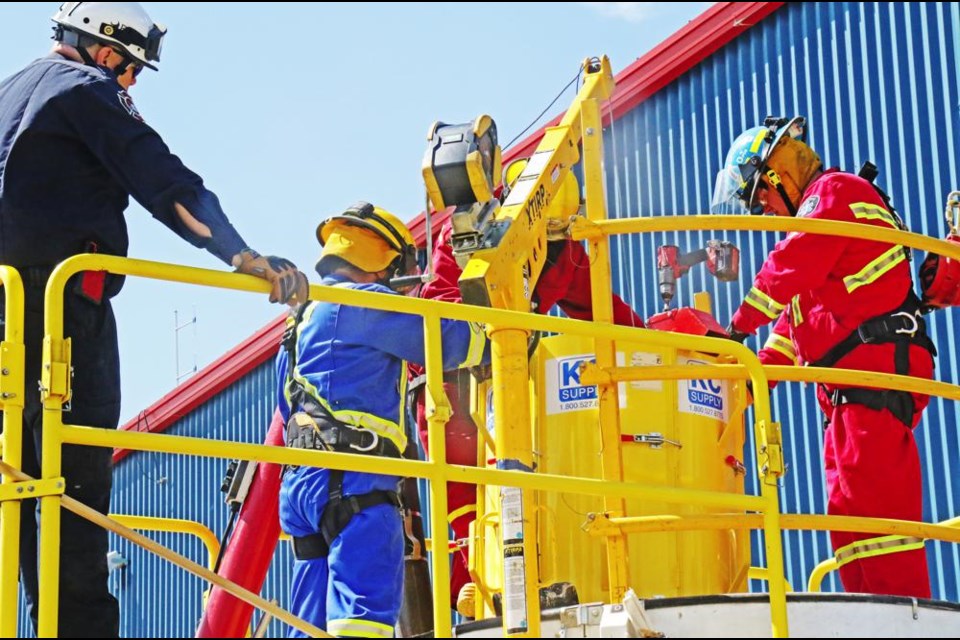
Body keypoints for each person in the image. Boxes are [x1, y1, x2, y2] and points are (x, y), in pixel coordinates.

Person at [0, 3, 309, 636]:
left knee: (16, 495)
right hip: (58, 315)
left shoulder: (8, 92)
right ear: (106, 51)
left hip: (5, 315)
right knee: (73, 492)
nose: (131, 83)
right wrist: (240, 254)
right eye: (132, 69)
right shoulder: (89, 91)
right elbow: (163, 182)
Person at [713, 116, 937, 598]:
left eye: (761, 197)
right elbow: (788, 337)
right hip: (846, 400)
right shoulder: (815, 260)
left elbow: (784, 269)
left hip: (877, 380)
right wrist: (742, 385)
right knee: (849, 521)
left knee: (879, 522)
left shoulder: (835, 193)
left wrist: (733, 330)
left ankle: (906, 623)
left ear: (779, 172)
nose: (763, 212)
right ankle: (867, 617)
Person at [413, 157, 645, 615]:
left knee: (520, 490)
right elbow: (437, 307)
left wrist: (655, 339)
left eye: (557, 234)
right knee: (465, 503)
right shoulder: (468, 234)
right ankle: (469, 604)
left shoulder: (565, 251)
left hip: (511, 386)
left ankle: (520, 586)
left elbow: (602, 309)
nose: (549, 244)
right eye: (545, 232)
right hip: (452, 387)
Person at [277, 202, 488, 638]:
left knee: (310, 622)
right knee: (361, 618)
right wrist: (503, 327)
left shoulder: (299, 321)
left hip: (301, 486)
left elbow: (285, 408)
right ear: (387, 266)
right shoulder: (366, 303)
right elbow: (452, 342)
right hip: (356, 483)